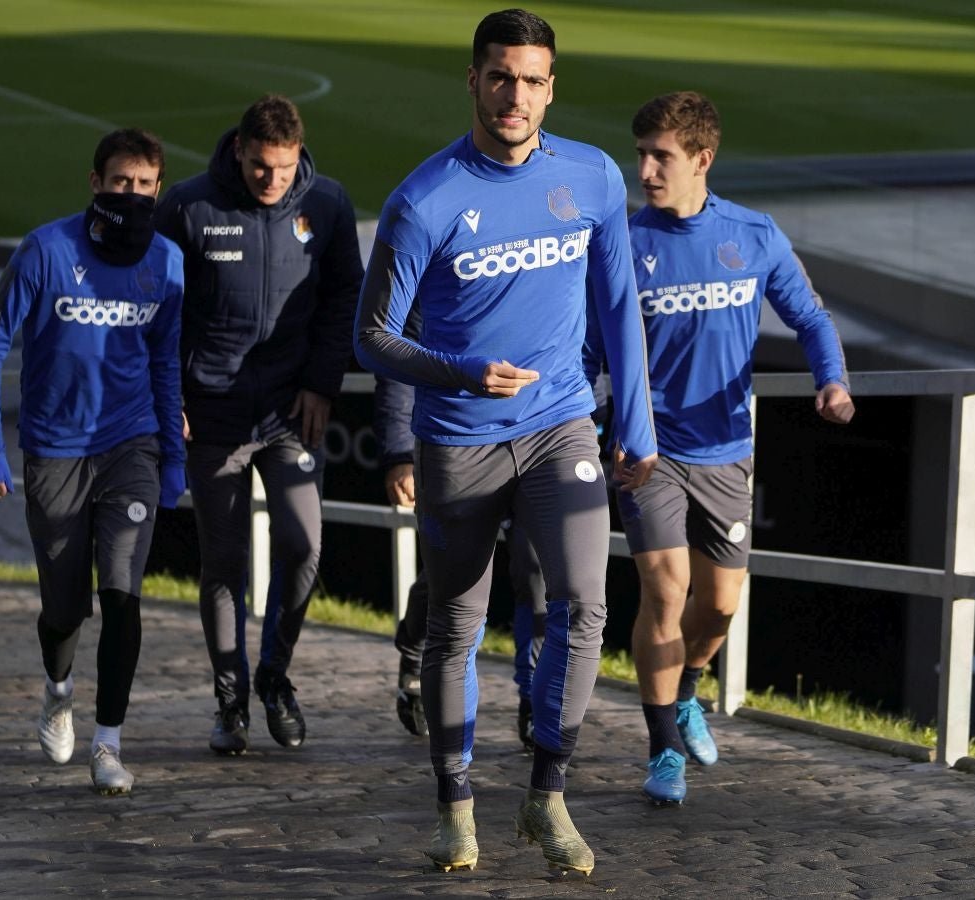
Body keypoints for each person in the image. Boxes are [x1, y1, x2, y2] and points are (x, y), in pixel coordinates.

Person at [355, 8, 658, 876]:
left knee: (584, 601)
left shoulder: (595, 178)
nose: (514, 95)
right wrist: (456, 371)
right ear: (473, 81)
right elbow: (371, 338)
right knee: (457, 624)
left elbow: (617, 311)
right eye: (499, 77)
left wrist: (633, 426)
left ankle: (547, 797)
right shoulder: (425, 199)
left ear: (551, 87)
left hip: (559, 423)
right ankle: (455, 807)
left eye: (531, 80)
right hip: (458, 439)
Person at [622, 91, 855, 805]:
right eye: (642, 155)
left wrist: (832, 382)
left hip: (726, 449)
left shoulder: (752, 235)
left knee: (719, 606)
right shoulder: (622, 242)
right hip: (649, 450)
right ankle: (663, 750)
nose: (647, 169)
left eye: (661, 155)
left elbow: (810, 318)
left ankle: (687, 692)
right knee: (665, 589)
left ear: (701, 159)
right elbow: (581, 343)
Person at [0, 128, 186, 796]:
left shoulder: (169, 262)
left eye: (146, 185)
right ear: (95, 184)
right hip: (54, 451)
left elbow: (164, 362)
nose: (133, 195)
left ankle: (109, 744)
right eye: (122, 182)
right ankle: (58, 688)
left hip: (131, 445)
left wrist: (173, 461)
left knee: (121, 591)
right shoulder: (46, 250)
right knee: (65, 607)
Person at [153, 94, 364, 755]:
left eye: (283, 167)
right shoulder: (188, 207)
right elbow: (158, 313)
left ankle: (274, 676)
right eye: (259, 167)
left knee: (304, 543)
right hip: (212, 413)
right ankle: (229, 697)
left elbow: (343, 300)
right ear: (239, 149)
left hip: (288, 413)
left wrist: (320, 383)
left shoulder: (325, 205)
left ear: (297, 155)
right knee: (225, 559)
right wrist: (171, 398)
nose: (270, 180)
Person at [374, 305, 547, 748]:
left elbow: (582, 341)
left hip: (539, 442)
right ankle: (414, 651)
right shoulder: (444, 259)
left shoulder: (551, 245)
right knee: (450, 577)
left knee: (536, 574)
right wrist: (398, 454)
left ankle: (533, 704)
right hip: (458, 444)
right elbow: (397, 358)